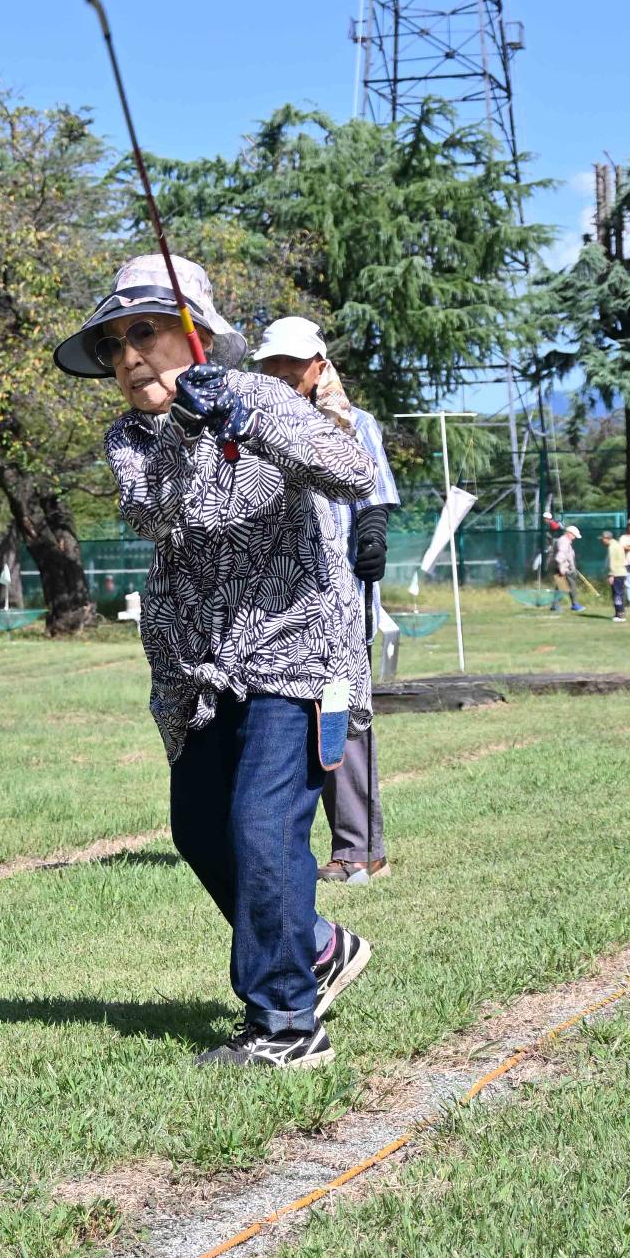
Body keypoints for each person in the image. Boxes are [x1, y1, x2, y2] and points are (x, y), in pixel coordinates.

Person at [54, 255, 378, 1071]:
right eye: (113, 345)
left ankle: (285, 1027)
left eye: (145, 333)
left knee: (262, 828)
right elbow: (151, 512)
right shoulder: (128, 439)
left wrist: (240, 412)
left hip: (297, 655)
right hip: (195, 673)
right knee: (200, 828)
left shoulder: (266, 394)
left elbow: (348, 470)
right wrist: (190, 435)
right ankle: (314, 946)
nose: (128, 357)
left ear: (196, 335)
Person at [253, 318, 400, 885]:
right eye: (272, 362)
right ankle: (285, 846)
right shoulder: (251, 426)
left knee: (344, 717)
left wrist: (372, 537)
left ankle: (360, 851)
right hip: (276, 600)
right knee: (287, 722)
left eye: (293, 361)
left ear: (319, 363)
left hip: (339, 593)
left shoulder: (354, 423)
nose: (283, 372)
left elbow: (374, 494)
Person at [552, 523, 584, 613]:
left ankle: (573, 604)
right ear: (569, 533)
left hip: (567, 569)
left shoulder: (567, 542)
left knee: (569, 586)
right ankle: (556, 606)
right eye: (574, 535)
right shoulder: (564, 542)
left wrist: (572, 568)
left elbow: (569, 556)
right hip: (562, 569)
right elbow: (560, 556)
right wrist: (561, 569)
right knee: (562, 587)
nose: (574, 538)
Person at [603, 528, 629, 622]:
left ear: (607, 538)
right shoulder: (617, 544)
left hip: (617, 573)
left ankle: (620, 614)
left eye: (603, 539)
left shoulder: (612, 547)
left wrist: (611, 575)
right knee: (619, 593)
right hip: (622, 572)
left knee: (617, 594)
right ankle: (619, 613)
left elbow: (612, 562)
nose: (602, 541)